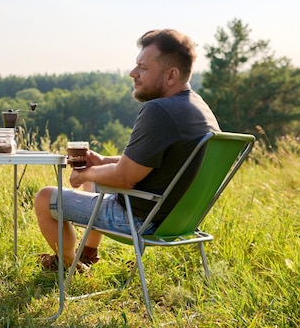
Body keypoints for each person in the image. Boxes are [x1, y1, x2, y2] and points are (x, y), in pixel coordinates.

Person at [34, 29, 221, 270]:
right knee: (97, 179)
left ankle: (72, 266)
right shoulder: (199, 108)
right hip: (181, 219)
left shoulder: (159, 111)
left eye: (143, 67)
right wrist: (101, 161)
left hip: (142, 220)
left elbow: (124, 178)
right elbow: (155, 163)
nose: (133, 73)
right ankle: (87, 254)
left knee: (45, 198)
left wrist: (84, 174)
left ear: (171, 75)